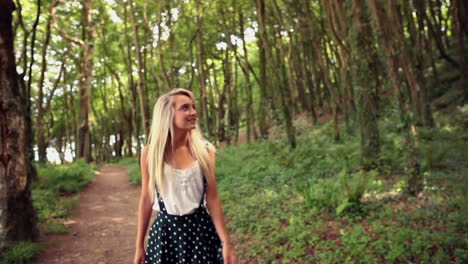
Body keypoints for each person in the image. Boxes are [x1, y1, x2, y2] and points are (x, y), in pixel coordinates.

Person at [133, 88, 237, 264]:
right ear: (168, 115)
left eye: (193, 107)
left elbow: (212, 198)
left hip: (201, 233)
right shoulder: (150, 154)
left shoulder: (206, 151)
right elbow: (146, 199)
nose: (194, 112)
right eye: (185, 108)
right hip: (165, 236)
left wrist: (226, 242)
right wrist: (139, 246)